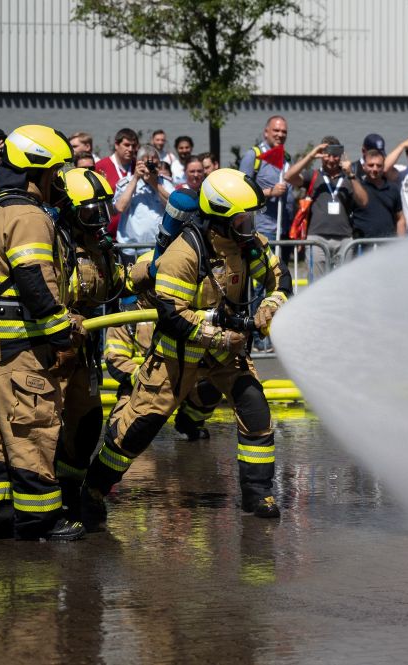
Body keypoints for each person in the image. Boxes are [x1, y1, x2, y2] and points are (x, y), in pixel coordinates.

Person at [80, 168, 293, 527]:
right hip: (176, 357)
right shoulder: (183, 253)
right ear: (220, 216)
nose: (250, 225)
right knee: (139, 429)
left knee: (256, 411)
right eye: (243, 218)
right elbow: (172, 316)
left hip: (227, 355)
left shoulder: (247, 244)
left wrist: (271, 304)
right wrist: (223, 335)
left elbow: (279, 278)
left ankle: (258, 494)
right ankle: (93, 491)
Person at [0, 124, 84, 541]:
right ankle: (40, 522)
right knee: (31, 431)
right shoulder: (27, 214)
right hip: (17, 349)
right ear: (38, 172)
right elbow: (34, 280)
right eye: (54, 172)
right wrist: (60, 333)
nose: (57, 181)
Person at [52, 167, 124, 521]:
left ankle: (71, 495)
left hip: (83, 350)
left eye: (102, 210)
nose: (99, 220)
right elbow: (39, 292)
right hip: (51, 351)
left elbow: (116, 286)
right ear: (69, 210)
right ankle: (38, 507)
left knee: (87, 424)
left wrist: (152, 271)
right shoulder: (53, 243)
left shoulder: (96, 246)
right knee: (44, 428)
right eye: (90, 212)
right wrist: (65, 318)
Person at [284, 136, 368, 279]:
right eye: (327, 155)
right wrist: (311, 156)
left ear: (340, 156)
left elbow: (364, 201)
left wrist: (351, 174)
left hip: (344, 238)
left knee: (344, 281)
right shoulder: (314, 175)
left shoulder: (348, 177)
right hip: (317, 238)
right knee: (317, 282)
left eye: (335, 155)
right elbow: (289, 177)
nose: (331, 159)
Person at [113, 145, 174, 263]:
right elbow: (120, 208)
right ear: (138, 163)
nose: (151, 168)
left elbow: (173, 206)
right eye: (148, 164)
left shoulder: (165, 183)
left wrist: (154, 183)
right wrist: (136, 178)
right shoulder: (126, 183)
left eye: (155, 164)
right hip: (130, 250)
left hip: (157, 248)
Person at [350, 149, 404, 240]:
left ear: (383, 167)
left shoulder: (393, 188)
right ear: (364, 167)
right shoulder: (357, 188)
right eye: (371, 165)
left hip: (388, 245)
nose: (375, 169)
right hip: (363, 245)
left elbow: (400, 219)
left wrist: (401, 244)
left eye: (379, 166)